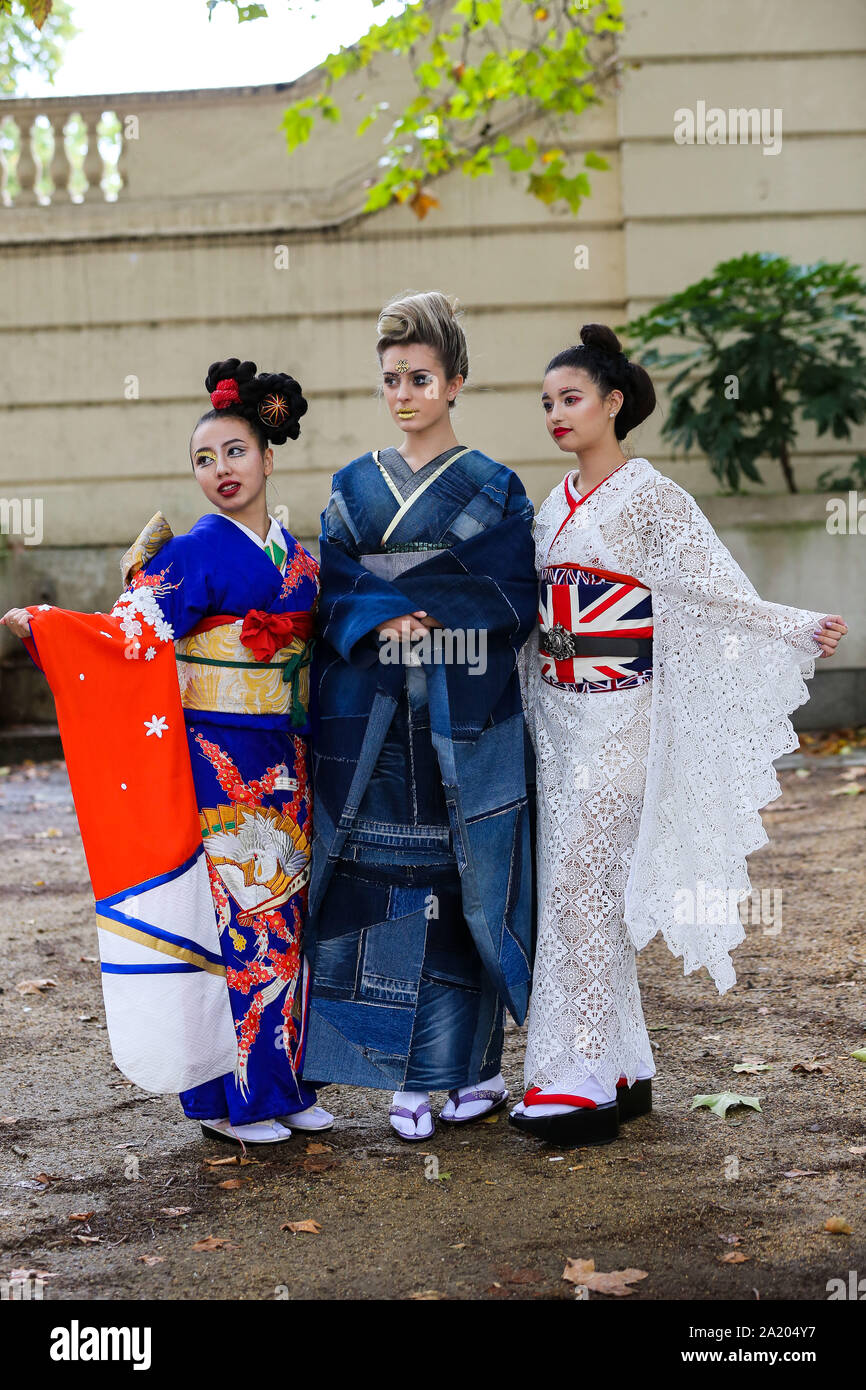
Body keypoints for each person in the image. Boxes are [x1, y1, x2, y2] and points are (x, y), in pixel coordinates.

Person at [510, 323, 848, 1147]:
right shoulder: (553, 502)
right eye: (547, 403)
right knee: (574, 886)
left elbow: (709, 591)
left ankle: (577, 1076)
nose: (556, 414)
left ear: (614, 403)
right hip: (558, 716)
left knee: (583, 887)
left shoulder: (654, 498)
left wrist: (790, 625)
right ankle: (622, 1063)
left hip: (621, 712)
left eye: (572, 399)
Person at [1, 357, 333, 1145]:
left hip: (286, 757)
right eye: (204, 459)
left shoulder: (303, 561)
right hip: (214, 757)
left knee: (284, 920)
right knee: (229, 920)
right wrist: (52, 626)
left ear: (268, 457)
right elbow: (127, 637)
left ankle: (285, 1085)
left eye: (236, 453)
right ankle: (229, 1100)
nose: (221, 470)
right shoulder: (189, 557)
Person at [302, 291, 538, 1141]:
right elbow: (325, 580)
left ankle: (474, 1071)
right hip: (370, 720)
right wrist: (376, 613)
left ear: (455, 383)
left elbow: (515, 584)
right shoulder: (352, 488)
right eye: (391, 378)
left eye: (419, 377)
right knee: (382, 885)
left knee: (466, 877)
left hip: (462, 711)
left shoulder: (495, 486)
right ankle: (404, 1077)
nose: (402, 392)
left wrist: (415, 606)